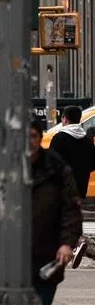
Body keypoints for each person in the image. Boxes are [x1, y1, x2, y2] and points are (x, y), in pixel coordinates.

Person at [0, 119, 82, 305]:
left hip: (46, 256)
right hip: (9, 255)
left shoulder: (56, 168)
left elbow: (71, 210)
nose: (28, 142)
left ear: (40, 138)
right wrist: (1, 212)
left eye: (33, 136)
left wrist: (67, 243)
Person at [49, 105, 95, 265]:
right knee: (71, 217)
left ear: (64, 119)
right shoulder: (87, 140)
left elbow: (52, 164)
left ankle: (78, 243)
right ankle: (78, 245)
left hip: (61, 186)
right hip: (80, 186)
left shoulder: (59, 138)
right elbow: (93, 163)